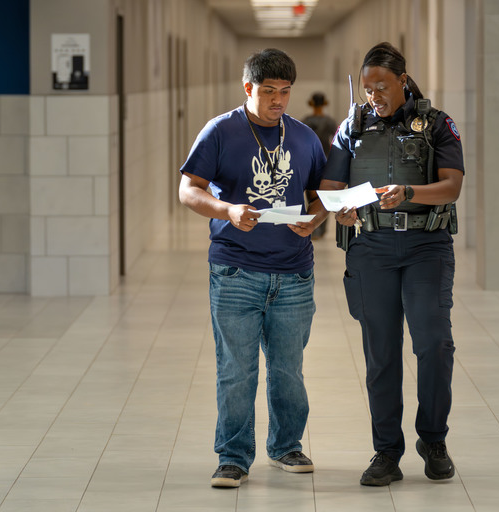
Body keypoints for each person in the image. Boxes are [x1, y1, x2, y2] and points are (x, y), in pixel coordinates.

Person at [178, 48, 328, 488]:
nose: (278, 99)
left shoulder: (303, 137)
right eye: (268, 91)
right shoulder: (221, 131)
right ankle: (233, 456)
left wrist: (315, 219)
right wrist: (226, 210)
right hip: (236, 272)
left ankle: (286, 447)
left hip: (294, 273)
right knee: (236, 369)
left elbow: (322, 195)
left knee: (287, 369)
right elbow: (189, 189)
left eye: (285, 92)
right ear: (248, 88)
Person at [319, 42, 464, 486]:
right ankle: (386, 452)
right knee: (380, 354)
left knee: (434, 344)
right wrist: (339, 208)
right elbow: (331, 183)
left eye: (381, 86)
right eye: (367, 88)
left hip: (426, 247)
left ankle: (433, 439)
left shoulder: (437, 124)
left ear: (402, 81)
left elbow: (452, 186)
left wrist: (409, 192)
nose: (373, 96)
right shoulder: (353, 126)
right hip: (373, 248)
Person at [302, 92, 338, 239]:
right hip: (327, 161)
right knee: (325, 196)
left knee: (311, 196)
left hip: (309, 161)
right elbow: (335, 142)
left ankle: (312, 226)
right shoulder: (329, 121)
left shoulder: (306, 121)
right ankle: (320, 229)